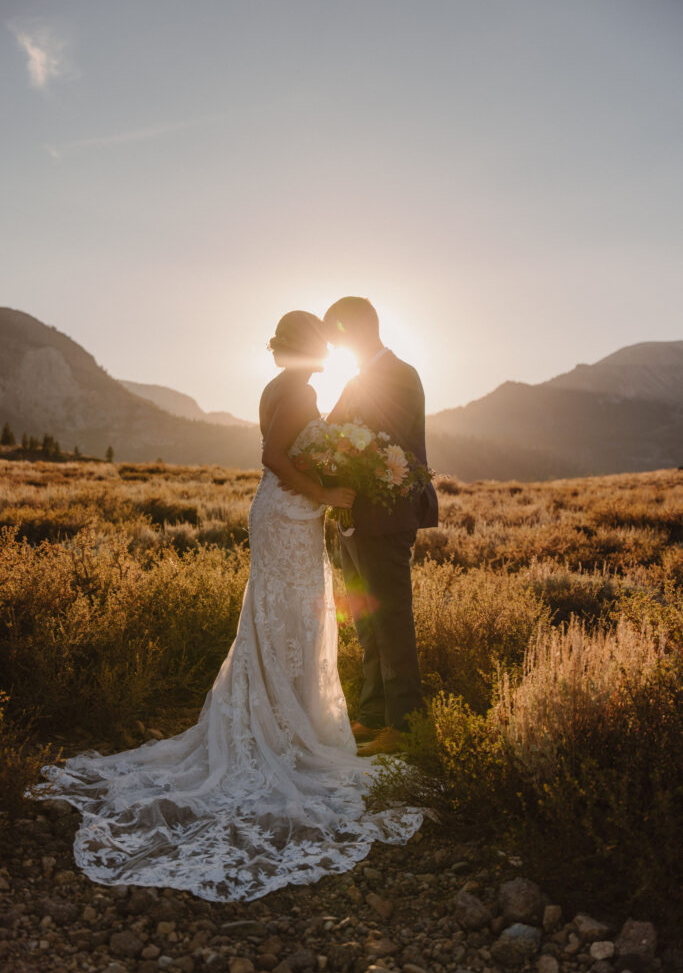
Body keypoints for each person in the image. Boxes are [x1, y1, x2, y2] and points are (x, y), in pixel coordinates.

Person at [30, 310, 421, 904]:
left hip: (289, 517)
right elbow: (275, 457)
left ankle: (295, 715)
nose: (329, 348)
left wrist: (337, 477)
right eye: (323, 340)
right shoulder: (297, 389)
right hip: (290, 513)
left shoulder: (287, 386)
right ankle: (287, 725)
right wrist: (326, 491)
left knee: (286, 620)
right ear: (308, 347)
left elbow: (296, 451)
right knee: (288, 617)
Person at [324, 296, 438, 756]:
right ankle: (373, 716)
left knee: (391, 621)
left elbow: (372, 442)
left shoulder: (398, 375)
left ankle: (406, 727)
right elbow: (333, 431)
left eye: (336, 334)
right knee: (368, 623)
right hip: (353, 518)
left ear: (356, 329)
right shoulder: (358, 379)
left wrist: (329, 453)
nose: (332, 344)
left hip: (385, 519)